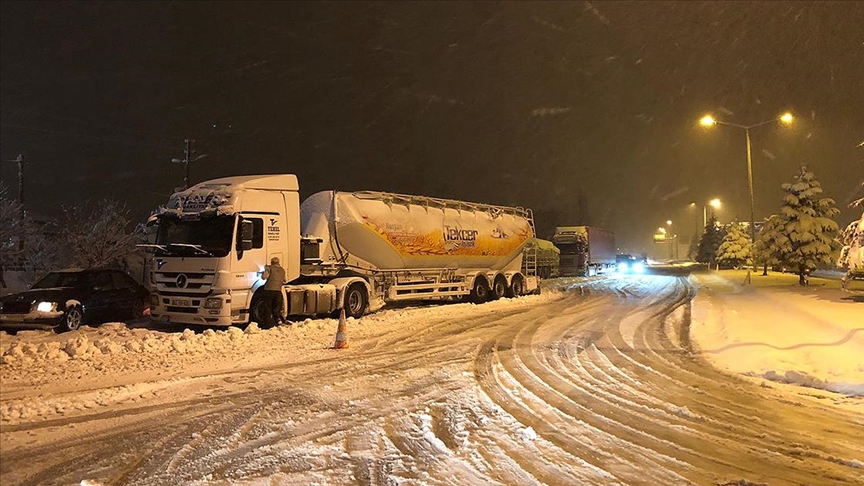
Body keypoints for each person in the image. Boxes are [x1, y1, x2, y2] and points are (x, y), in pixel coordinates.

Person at [261, 257, 288, 326]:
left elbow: (264, 277)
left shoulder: (269, 268)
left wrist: (263, 273)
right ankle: (278, 320)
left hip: (269, 291)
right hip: (278, 291)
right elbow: (285, 281)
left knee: (268, 307)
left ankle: (267, 323)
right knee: (276, 307)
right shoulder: (282, 270)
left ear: (272, 262)